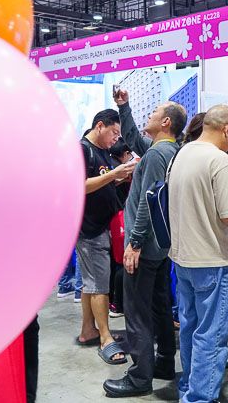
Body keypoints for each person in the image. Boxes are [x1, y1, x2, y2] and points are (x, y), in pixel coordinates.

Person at [103, 100, 188, 398]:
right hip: (161, 247)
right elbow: (133, 138)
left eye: (153, 113)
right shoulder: (170, 151)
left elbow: (147, 202)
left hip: (145, 246)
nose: (149, 115)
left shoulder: (155, 155)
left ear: (166, 122)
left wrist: (135, 242)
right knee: (159, 306)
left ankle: (140, 376)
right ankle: (163, 362)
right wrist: (124, 107)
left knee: (137, 312)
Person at [169, 105, 228, 403]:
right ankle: (199, 398)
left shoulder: (182, 154)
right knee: (212, 335)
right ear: (227, 129)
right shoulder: (220, 161)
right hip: (213, 260)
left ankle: (189, 388)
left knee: (190, 328)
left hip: (183, 258)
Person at [77, 109, 137, 365]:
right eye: (113, 132)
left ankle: (88, 330)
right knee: (100, 285)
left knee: (91, 283)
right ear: (100, 126)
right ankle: (105, 338)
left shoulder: (101, 151)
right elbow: (78, 186)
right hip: (90, 228)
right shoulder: (82, 150)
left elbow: (100, 184)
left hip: (101, 227)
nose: (116, 139)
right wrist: (113, 174)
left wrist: (118, 177)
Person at [108, 139, 134, 318]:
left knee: (117, 262)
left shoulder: (111, 166)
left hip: (115, 218)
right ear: (125, 154)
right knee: (120, 262)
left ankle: (115, 302)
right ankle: (117, 305)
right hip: (119, 219)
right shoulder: (119, 170)